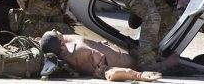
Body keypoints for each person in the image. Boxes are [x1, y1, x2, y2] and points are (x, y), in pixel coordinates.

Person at [39, 30, 174, 81]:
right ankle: (166, 64)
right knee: (174, 59)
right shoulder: (77, 55)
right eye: (54, 33)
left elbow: (45, 43)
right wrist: (138, 75)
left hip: (130, 54)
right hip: (137, 63)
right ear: (61, 46)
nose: (55, 30)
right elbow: (109, 73)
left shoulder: (63, 43)